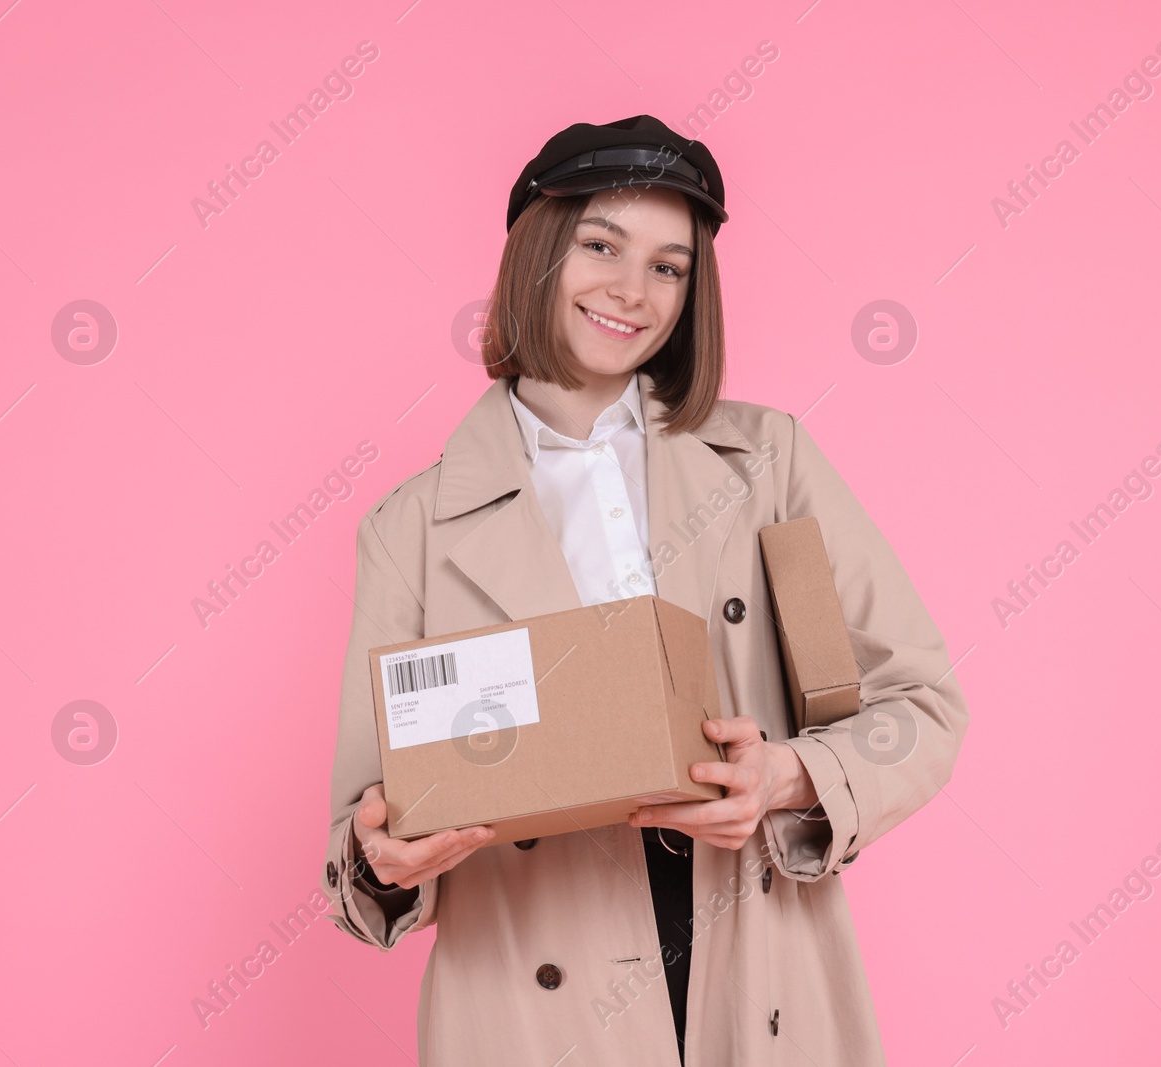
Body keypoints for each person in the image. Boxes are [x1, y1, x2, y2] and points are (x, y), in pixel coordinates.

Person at [320, 114, 971, 1066]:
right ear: (537, 252)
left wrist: (784, 777)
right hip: (531, 1009)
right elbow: (362, 830)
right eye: (600, 246)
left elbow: (920, 705)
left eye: (669, 266)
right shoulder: (409, 529)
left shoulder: (769, 466)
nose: (632, 291)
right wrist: (385, 861)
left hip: (760, 970)